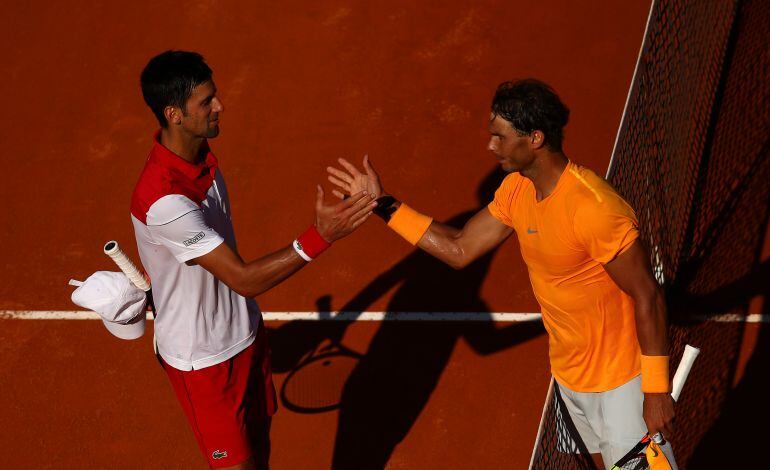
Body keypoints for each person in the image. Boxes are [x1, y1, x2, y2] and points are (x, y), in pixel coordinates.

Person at [326, 79, 676, 468]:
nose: (491, 146)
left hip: (622, 385)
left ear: (535, 138)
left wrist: (656, 389)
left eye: (500, 137)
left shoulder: (595, 209)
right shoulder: (517, 190)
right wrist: (383, 204)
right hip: (569, 379)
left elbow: (649, 295)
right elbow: (460, 248)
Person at [132, 50, 377, 470]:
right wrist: (321, 237)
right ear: (174, 114)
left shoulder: (203, 159)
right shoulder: (164, 200)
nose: (220, 106)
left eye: (215, 95)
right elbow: (243, 279)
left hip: (245, 335)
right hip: (204, 363)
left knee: (260, 456)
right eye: (206, 102)